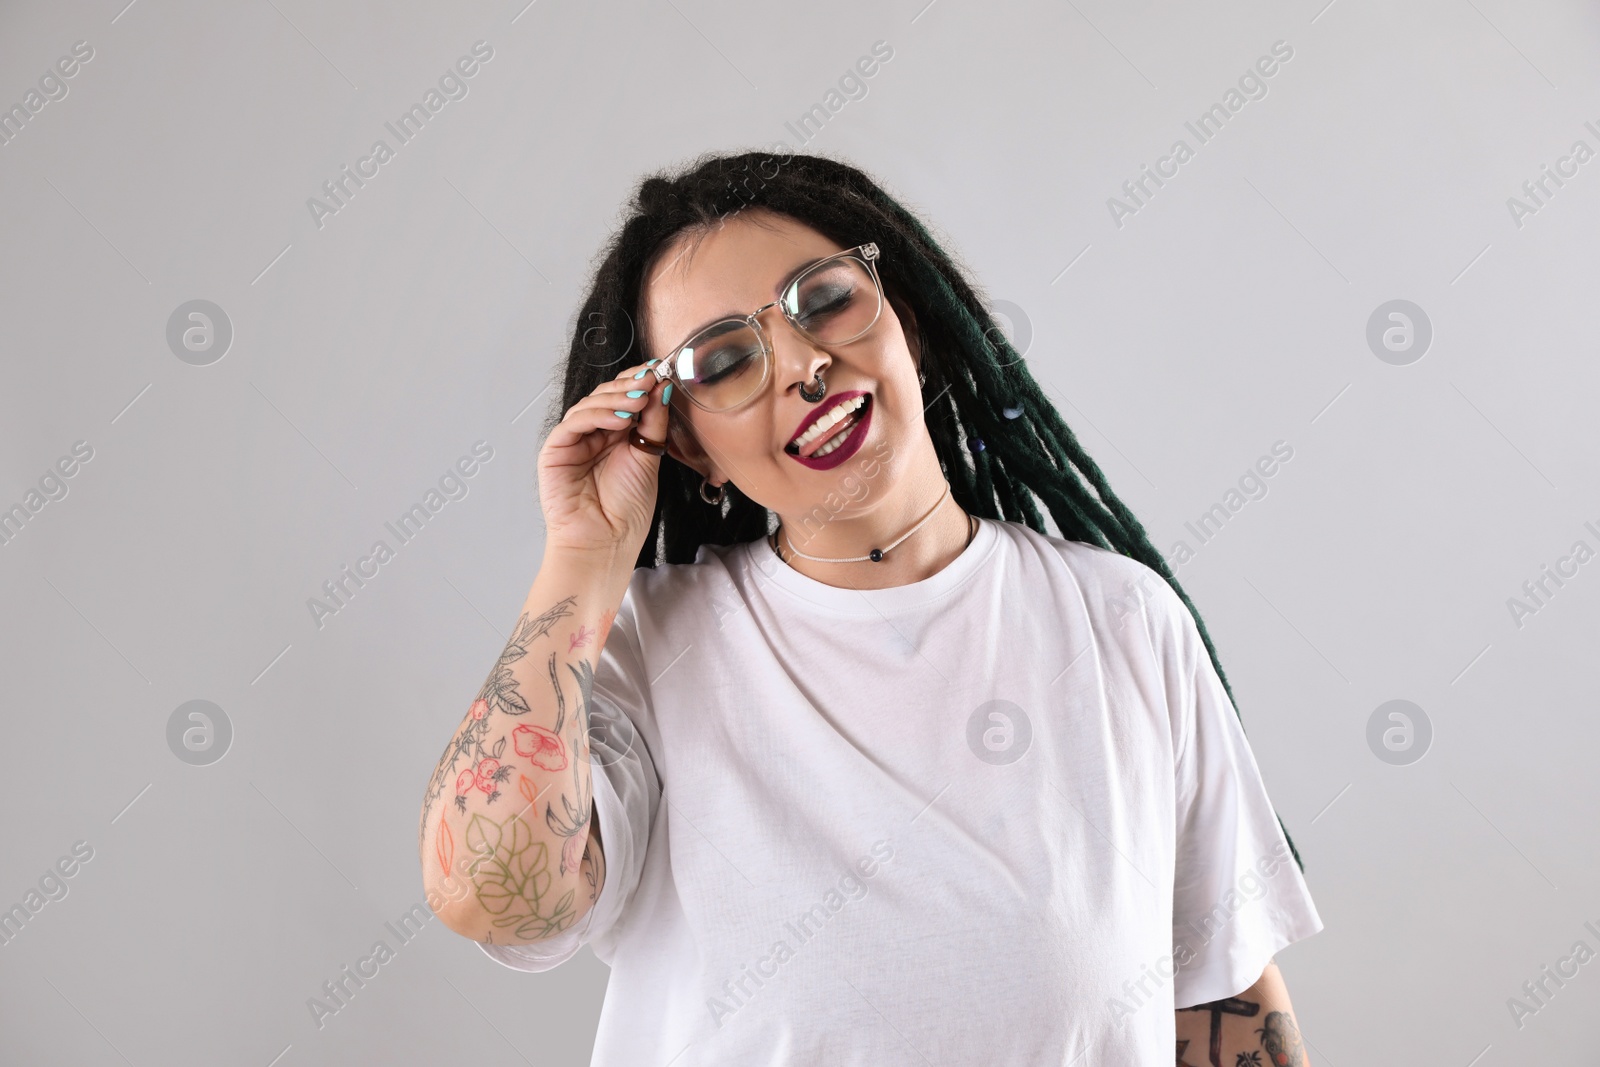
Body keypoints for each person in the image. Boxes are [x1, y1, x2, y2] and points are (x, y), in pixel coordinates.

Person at [417, 149, 1324, 1064]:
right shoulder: (647, 654)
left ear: (910, 320)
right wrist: (582, 558)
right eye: (725, 359)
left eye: (824, 299)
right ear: (690, 448)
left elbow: (1224, 996)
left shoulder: (1125, 621)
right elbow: (490, 889)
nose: (805, 367)